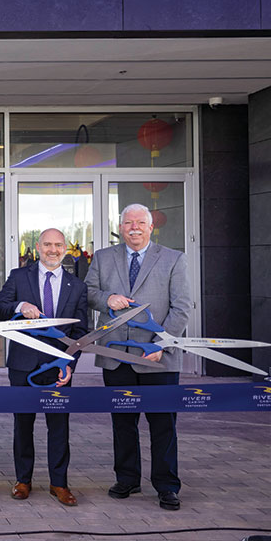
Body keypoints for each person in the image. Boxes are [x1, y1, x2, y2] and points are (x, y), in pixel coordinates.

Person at [85, 203, 191, 511]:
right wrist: (108, 299)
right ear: (121, 227)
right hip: (115, 354)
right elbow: (89, 293)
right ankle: (127, 479)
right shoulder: (103, 258)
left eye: (140, 223)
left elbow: (182, 307)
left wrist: (162, 343)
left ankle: (167, 485)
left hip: (159, 356)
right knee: (123, 422)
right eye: (128, 223)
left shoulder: (173, 259)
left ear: (150, 226)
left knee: (163, 424)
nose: (134, 227)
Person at [0, 228, 87, 506]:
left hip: (58, 365)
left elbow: (81, 331)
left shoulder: (77, 285)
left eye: (58, 245)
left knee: (59, 426)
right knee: (23, 424)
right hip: (23, 364)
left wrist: (68, 363)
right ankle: (23, 480)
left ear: (66, 249)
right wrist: (20, 305)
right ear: (37, 247)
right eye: (47, 244)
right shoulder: (18, 276)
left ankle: (59, 483)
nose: (53, 249)